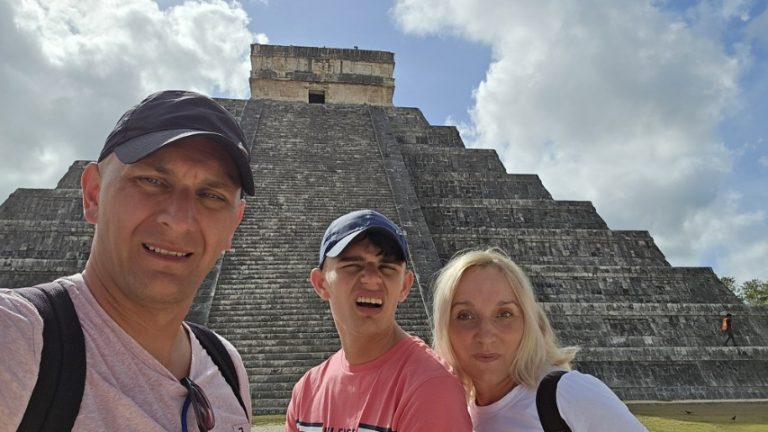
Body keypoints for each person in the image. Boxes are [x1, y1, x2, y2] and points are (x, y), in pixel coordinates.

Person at [0, 90, 255, 431]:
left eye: (211, 195)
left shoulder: (225, 365)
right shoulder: (17, 338)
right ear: (93, 194)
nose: (179, 220)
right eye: (152, 181)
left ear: (234, 225)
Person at [285, 209, 473, 431]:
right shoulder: (307, 391)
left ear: (404, 286)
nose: (372, 279)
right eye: (352, 266)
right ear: (320, 283)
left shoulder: (430, 387)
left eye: (387, 268)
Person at [432, 247, 647, 432]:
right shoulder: (456, 417)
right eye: (465, 316)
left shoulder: (568, 395)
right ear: (444, 328)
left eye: (505, 314)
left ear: (529, 322)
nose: (486, 336)